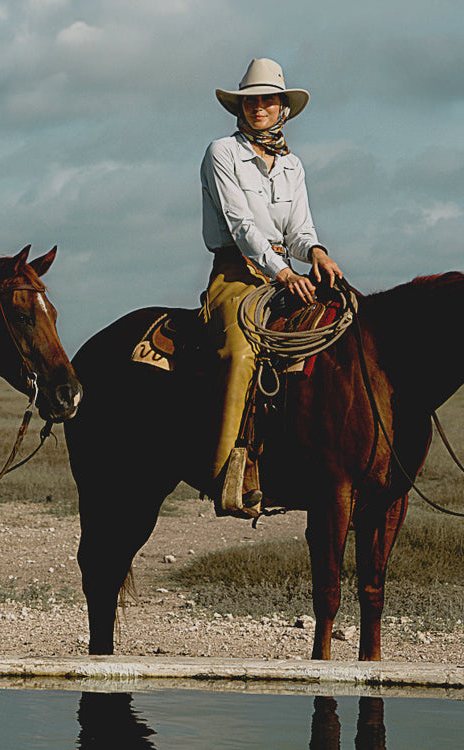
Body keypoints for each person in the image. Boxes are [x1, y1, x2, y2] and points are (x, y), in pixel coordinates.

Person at [199, 58, 346, 518]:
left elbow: (299, 228)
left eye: (268, 99)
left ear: (283, 108)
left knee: (337, 335)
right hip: (236, 273)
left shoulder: (292, 164)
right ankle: (227, 473)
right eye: (251, 100)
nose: (259, 107)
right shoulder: (222, 152)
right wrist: (283, 272)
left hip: (285, 268)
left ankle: (309, 460)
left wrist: (317, 252)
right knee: (241, 353)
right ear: (239, 107)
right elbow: (240, 226)